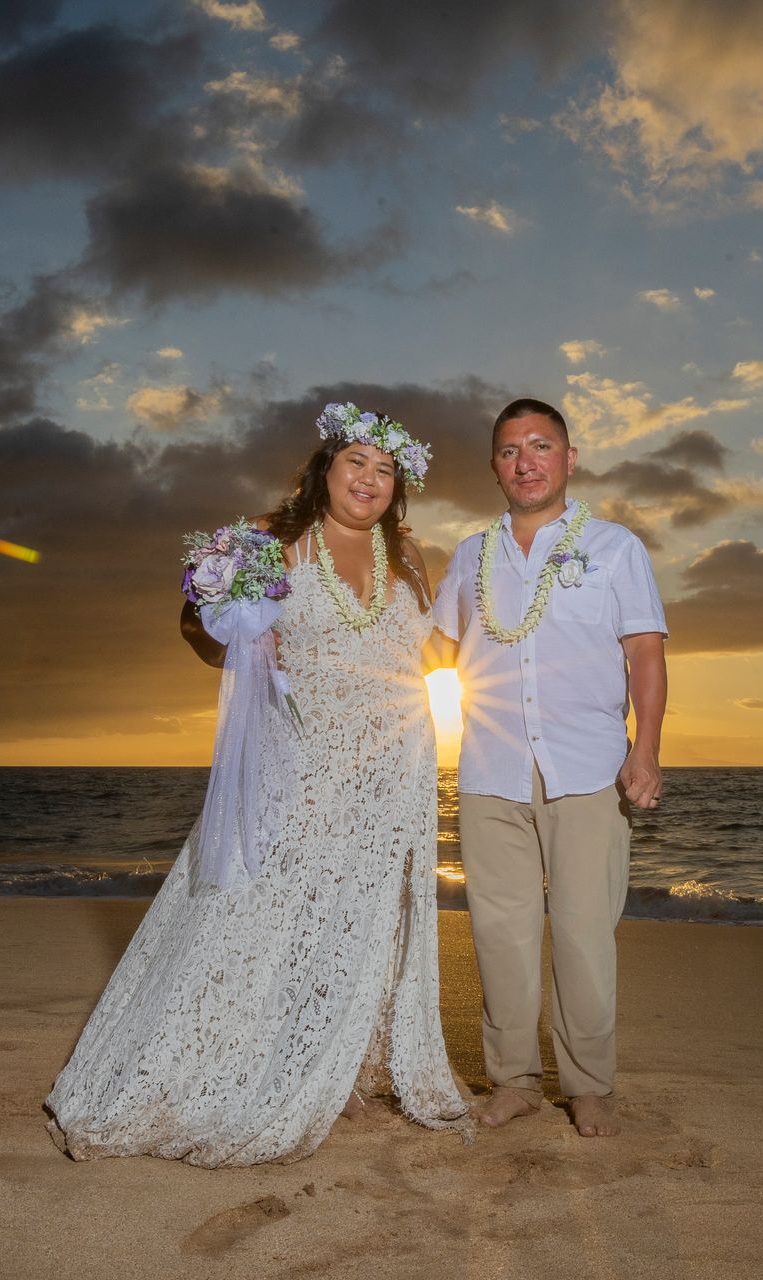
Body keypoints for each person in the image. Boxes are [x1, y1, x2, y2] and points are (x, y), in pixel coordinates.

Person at [44, 404, 469, 1167]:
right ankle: (224, 1064)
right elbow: (195, 628)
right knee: (263, 911)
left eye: (384, 470)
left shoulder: (406, 554)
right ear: (325, 470)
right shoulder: (272, 541)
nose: (369, 481)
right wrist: (241, 627)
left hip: (393, 767)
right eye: (355, 464)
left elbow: (429, 651)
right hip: (299, 763)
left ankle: (342, 1064)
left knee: (360, 913)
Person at [431, 397, 668, 1139]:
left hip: (589, 768)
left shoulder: (615, 547)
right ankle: (513, 1081)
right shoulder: (471, 556)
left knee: (583, 931)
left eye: (540, 446)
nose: (525, 461)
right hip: (489, 770)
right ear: (495, 467)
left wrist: (647, 748)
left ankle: (589, 1085)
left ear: (569, 459)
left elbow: (645, 653)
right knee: (499, 933)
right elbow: (432, 650)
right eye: (509, 450)